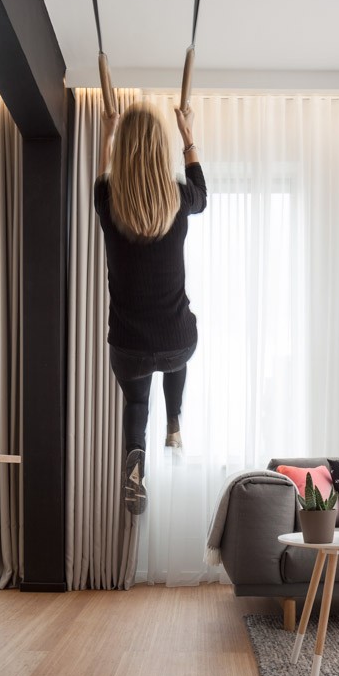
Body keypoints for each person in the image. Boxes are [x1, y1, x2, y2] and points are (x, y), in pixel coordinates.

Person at [94, 99, 207, 515]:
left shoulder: (106, 197)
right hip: (177, 341)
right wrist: (187, 134)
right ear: (160, 147)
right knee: (180, 343)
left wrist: (108, 133)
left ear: (125, 149)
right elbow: (203, 195)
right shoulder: (179, 197)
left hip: (129, 346)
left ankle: (135, 461)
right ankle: (174, 420)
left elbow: (103, 174)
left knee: (136, 403)